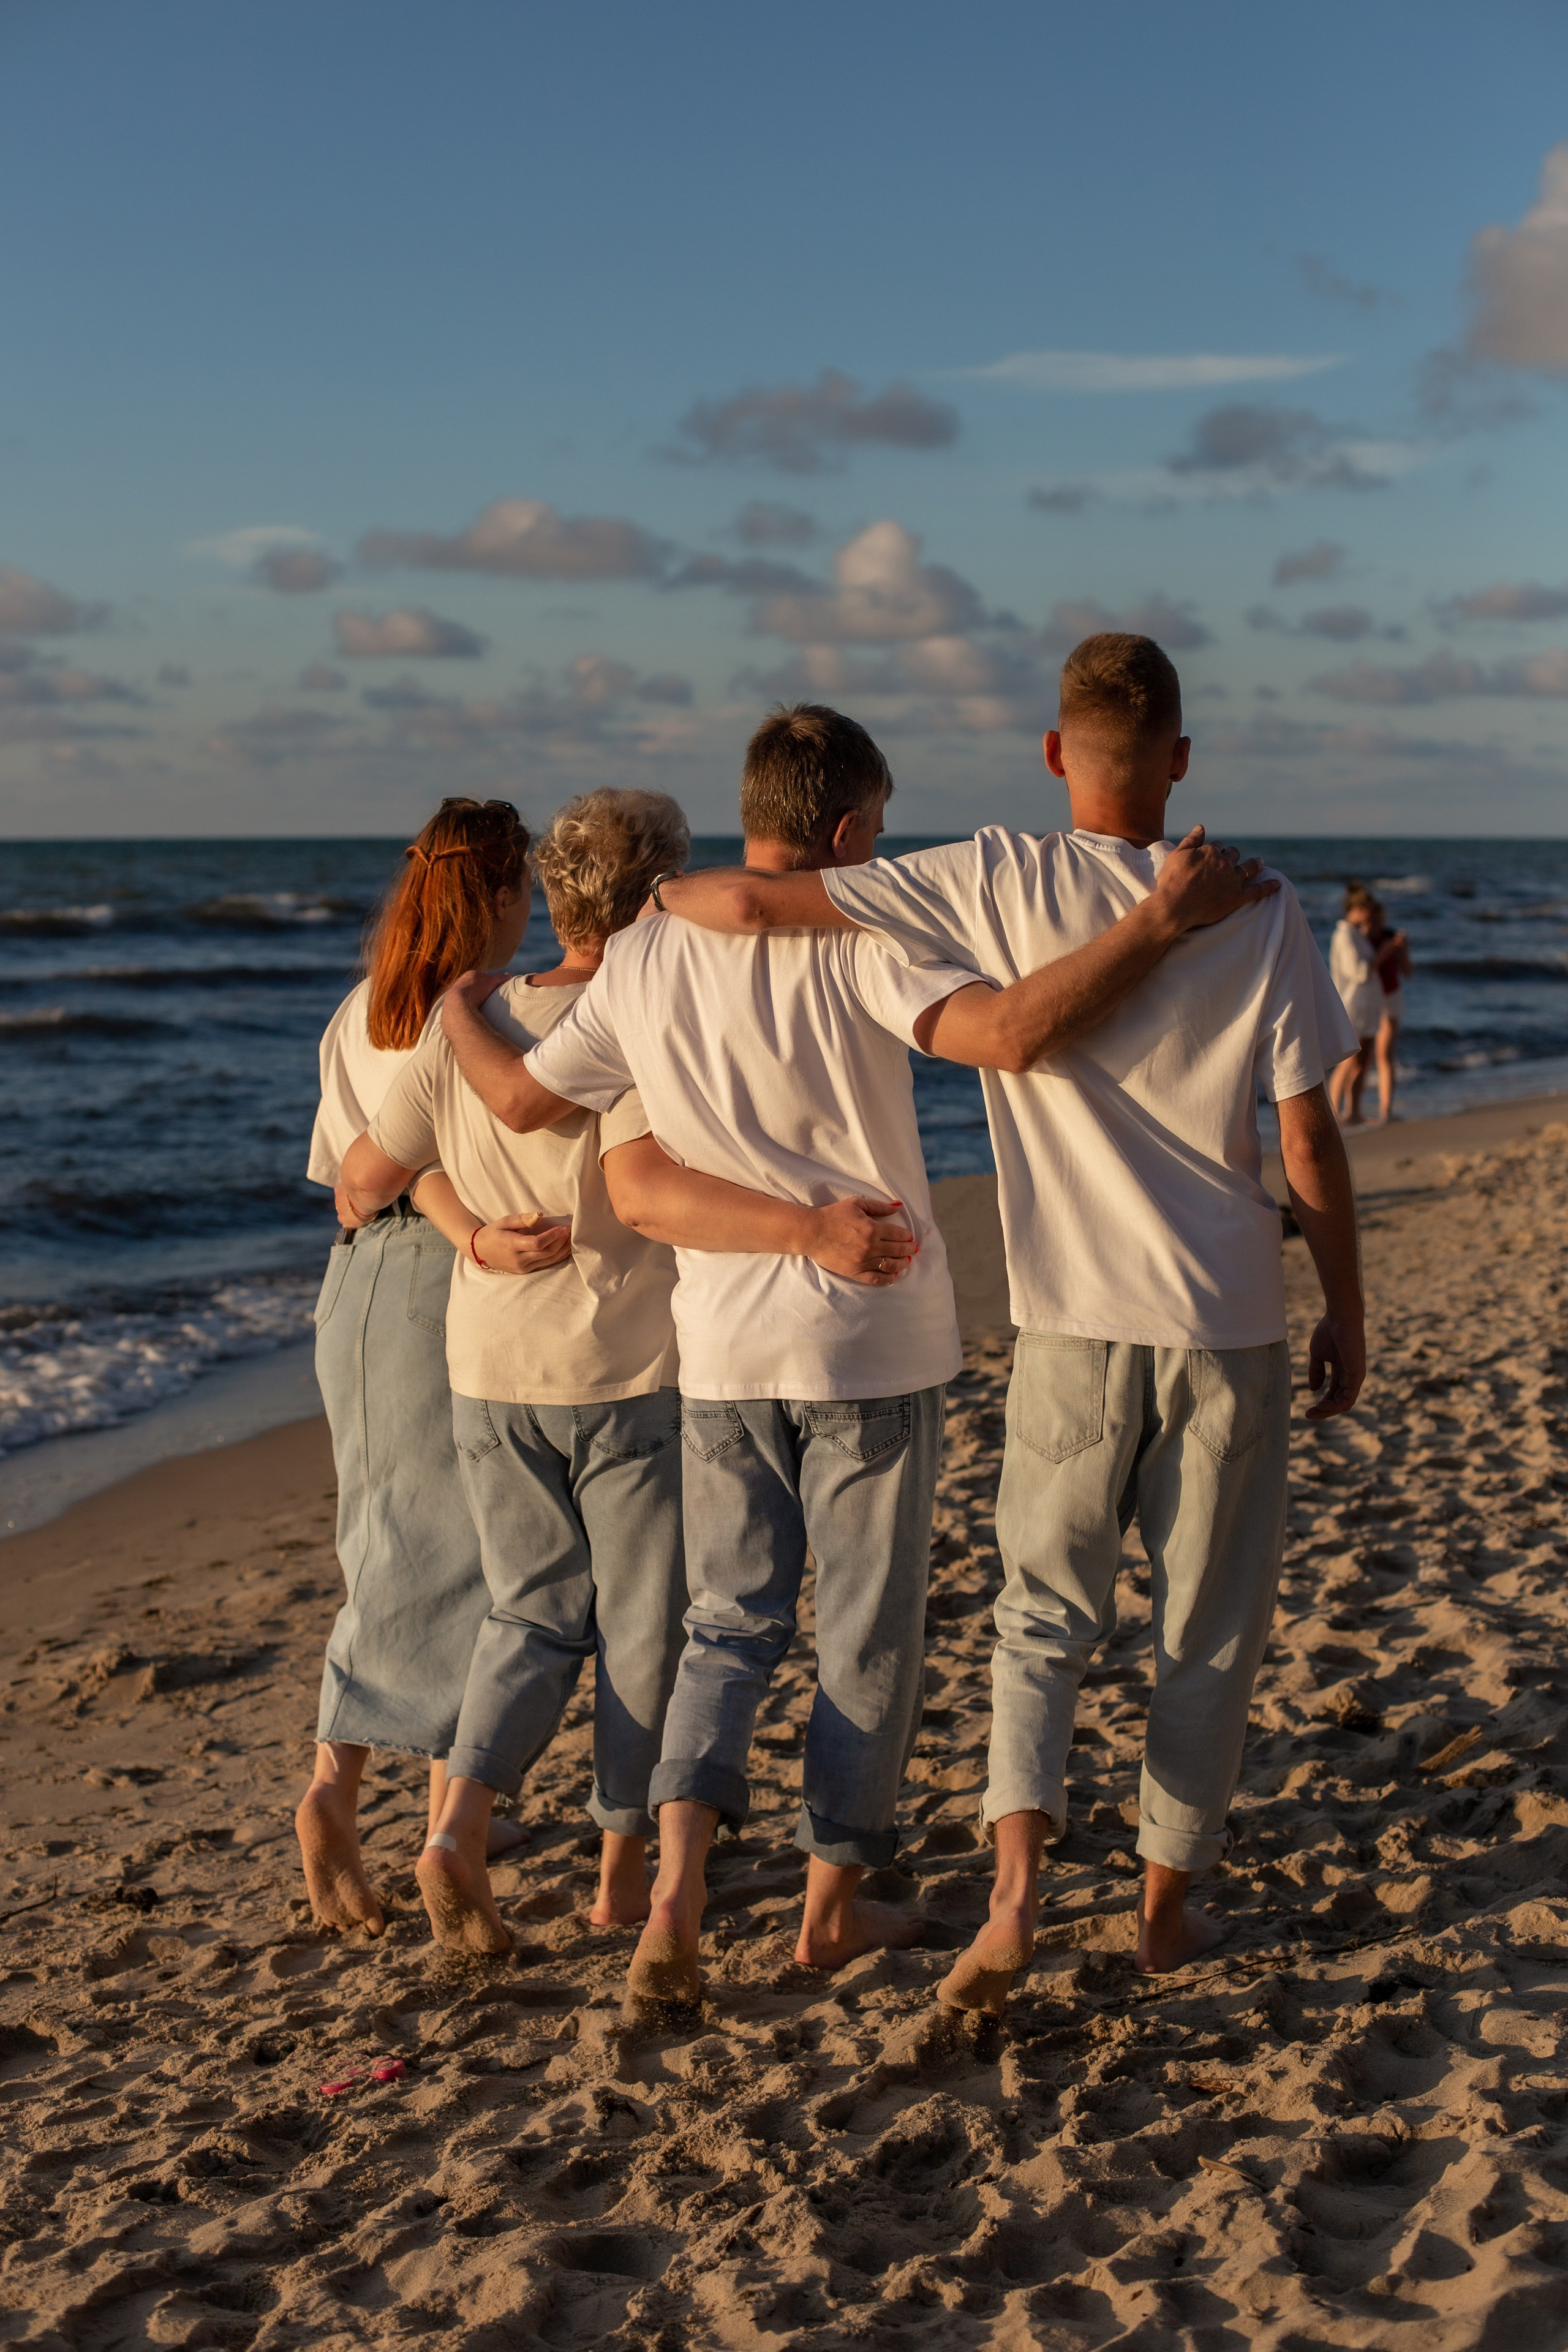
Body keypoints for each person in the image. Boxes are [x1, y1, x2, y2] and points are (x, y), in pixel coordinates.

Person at [437, 703, 1272, 2005]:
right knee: (866, 1640)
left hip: (721, 1349)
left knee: (726, 1628)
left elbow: (527, 1098)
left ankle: (675, 1891)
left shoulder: (645, 954)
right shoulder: (869, 937)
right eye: (876, 827)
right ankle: (829, 1909)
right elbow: (1009, 1035)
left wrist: (455, 1012)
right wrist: (1155, 924)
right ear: (841, 831)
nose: (880, 849)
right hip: (868, 1339)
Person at [650, 641, 1363, 1999]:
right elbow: (1308, 1141)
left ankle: (1016, 1900)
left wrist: (655, 894)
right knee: (1205, 1631)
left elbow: (750, 903)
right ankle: (1163, 1916)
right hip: (1227, 1319)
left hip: (1069, 1323)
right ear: (1181, 759)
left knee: (1039, 1620)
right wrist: (1345, 1306)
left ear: (1051, 753)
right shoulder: (1262, 905)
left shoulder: (993, 877)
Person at [337, 790, 913, 1954]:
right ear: (658, 890)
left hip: (487, 1370)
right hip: (622, 1371)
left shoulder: (471, 1018)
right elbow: (654, 1188)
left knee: (527, 1613)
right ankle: (619, 1879)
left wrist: (469, 1231)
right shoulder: (641, 1012)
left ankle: (456, 1826)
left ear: (551, 893)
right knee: (645, 1636)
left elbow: (360, 1182)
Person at [298, 796, 535, 1935]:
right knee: (468, 1561)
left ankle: (353, 1795)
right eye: (525, 886)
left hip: (353, 1289)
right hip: (437, 1283)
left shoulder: (363, 1008)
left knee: (391, 1547)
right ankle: (427, 1829)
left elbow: (344, 1188)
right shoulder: (477, 1012)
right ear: (498, 893)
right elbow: (395, 1167)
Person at [1329, 884, 1391, 1125]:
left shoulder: (1356, 935)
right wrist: (1382, 955)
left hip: (1366, 1005)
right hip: (1353, 1004)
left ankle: (1353, 1111)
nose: (1370, 914)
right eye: (1367, 909)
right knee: (1349, 1061)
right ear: (1358, 909)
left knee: (1363, 1062)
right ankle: (1335, 1113)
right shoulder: (1344, 936)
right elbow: (1359, 972)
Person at [1366, 895, 1411, 1124]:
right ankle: (1349, 1110)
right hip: (1366, 1001)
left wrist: (1402, 950)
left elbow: (1408, 971)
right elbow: (1363, 971)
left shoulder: (1390, 937)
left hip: (1389, 997)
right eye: (1374, 919)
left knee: (1384, 1054)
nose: (1377, 923)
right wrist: (1385, 952)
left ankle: (1386, 1110)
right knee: (1358, 1058)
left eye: (1380, 919)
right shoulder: (1360, 939)